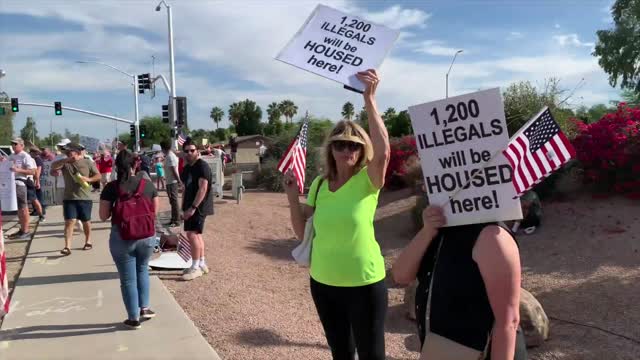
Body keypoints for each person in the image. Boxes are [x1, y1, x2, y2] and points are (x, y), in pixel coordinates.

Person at [283, 69, 390, 360]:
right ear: (331, 149)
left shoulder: (368, 181)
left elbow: (383, 154)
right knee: (341, 353)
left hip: (365, 283)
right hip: (323, 282)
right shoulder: (319, 184)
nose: (347, 150)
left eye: (354, 145)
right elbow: (300, 231)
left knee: (372, 355)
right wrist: (293, 198)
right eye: (340, 144)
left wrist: (369, 100)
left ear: (362, 148)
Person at [392, 205, 528, 360]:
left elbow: (508, 321)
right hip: (442, 349)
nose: (425, 186)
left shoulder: (491, 236)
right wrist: (427, 230)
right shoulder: (441, 229)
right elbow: (400, 275)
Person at [99, 150, 158, 329]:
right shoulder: (148, 185)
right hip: (147, 236)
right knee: (142, 270)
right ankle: (145, 308)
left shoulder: (112, 188)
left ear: (117, 166)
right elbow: (154, 212)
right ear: (135, 165)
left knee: (128, 279)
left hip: (122, 237)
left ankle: (133, 318)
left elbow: (103, 216)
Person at [50, 143, 101, 256]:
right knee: (69, 221)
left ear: (77, 152)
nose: (68, 153)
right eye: (66, 152)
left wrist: (88, 179)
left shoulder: (87, 162)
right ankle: (67, 246)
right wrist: (65, 160)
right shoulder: (64, 163)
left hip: (84, 197)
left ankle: (88, 241)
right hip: (69, 197)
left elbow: (98, 176)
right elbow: (53, 166)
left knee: (86, 221)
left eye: (70, 151)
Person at [180, 138, 214, 281]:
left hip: (198, 207)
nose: (189, 153)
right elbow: (185, 188)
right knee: (196, 235)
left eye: (192, 150)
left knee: (192, 235)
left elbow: (203, 188)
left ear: (197, 151)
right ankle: (201, 263)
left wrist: (193, 208)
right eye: (186, 151)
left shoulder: (202, 166)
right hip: (189, 205)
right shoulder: (187, 168)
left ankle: (195, 268)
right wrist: (183, 207)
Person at [2, 138, 36, 240]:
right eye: (12, 143)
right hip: (11, 184)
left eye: (15, 144)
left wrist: (18, 170)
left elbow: (32, 171)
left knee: (23, 207)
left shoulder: (25, 155)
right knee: (19, 209)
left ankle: (26, 231)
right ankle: (22, 229)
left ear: (22, 145)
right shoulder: (11, 156)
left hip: (20, 182)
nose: (13, 145)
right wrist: (3, 161)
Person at [161, 140, 182, 227]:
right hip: (169, 181)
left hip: (172, 182)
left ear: (163, 148)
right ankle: (173, 219)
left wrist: (179, 181)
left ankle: (176, 220)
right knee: (172, 201)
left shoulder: (170, 156)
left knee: (174, 201)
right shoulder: (168, 156)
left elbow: (173, 170)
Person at [28, 147, 45, 222]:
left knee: (37, 197)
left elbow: (38, 171)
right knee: (34, 197)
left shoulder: (37, 160)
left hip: (36, 179)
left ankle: (41, 212)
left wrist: (37, 181)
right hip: (34, 179)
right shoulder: (35, 159)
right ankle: (36, 211)